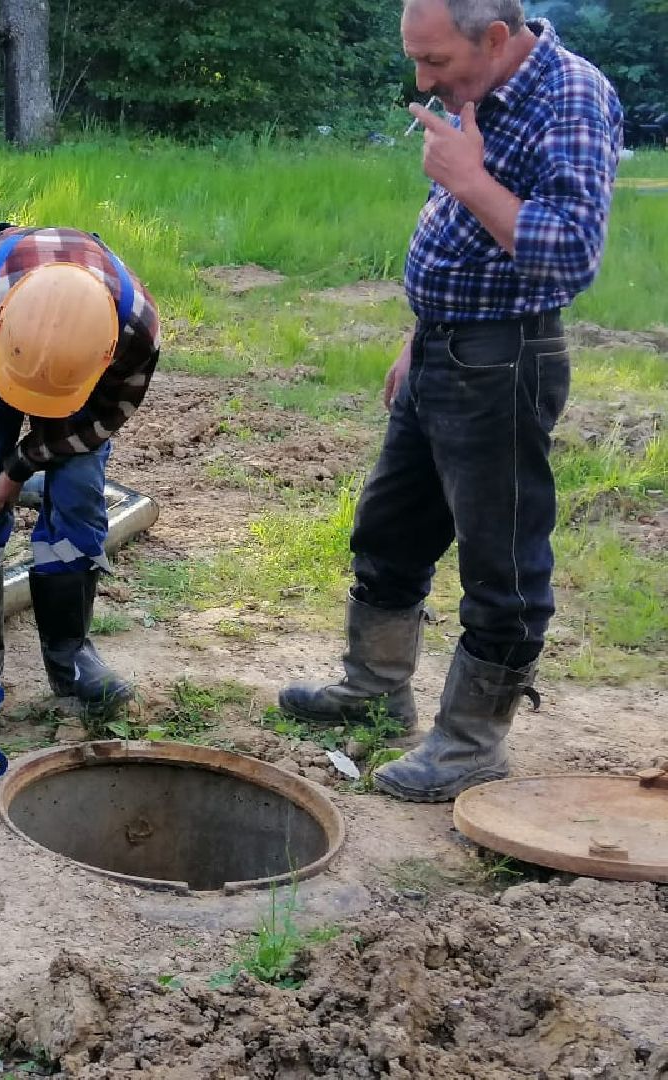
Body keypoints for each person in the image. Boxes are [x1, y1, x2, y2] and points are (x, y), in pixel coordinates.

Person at [279, 0, 622, 801]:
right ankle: (376, 689)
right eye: (416, 57)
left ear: (495, 37)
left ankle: (471, 743)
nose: (422, 78)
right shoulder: (480, 93)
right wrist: (421, 332)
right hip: (443, 346)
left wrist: (468, 178)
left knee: (502, 563)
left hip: (504, 360)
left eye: (435, 60)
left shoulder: (571, 95)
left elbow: (570, 255)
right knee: (389, 531)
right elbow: (466, 237)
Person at [0, 224, 161, 707]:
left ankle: (71, 657)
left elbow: (99, 422)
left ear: (108, 352)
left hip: (82, 378)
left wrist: (21, 464)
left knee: (78, 489)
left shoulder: (136, 332)